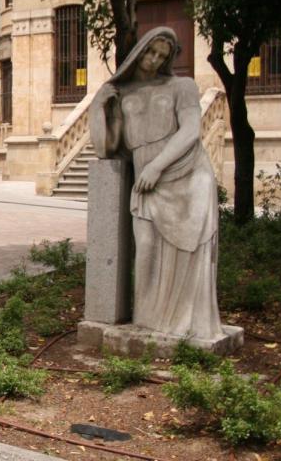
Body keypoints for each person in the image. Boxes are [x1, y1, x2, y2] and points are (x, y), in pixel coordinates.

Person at [90, 27, 225, 342]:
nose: (154, 60)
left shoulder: (183, 86)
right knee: (146, 247)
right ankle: (148, 319)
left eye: (162, 56)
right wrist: (98, 108)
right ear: (140, 50)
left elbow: (192, 129)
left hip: (188, 175)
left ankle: (184, 323)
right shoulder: (124, 94)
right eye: (151, 52)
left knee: (189, 253)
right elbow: (106, 148)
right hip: (147, 181)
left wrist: (156, 166)